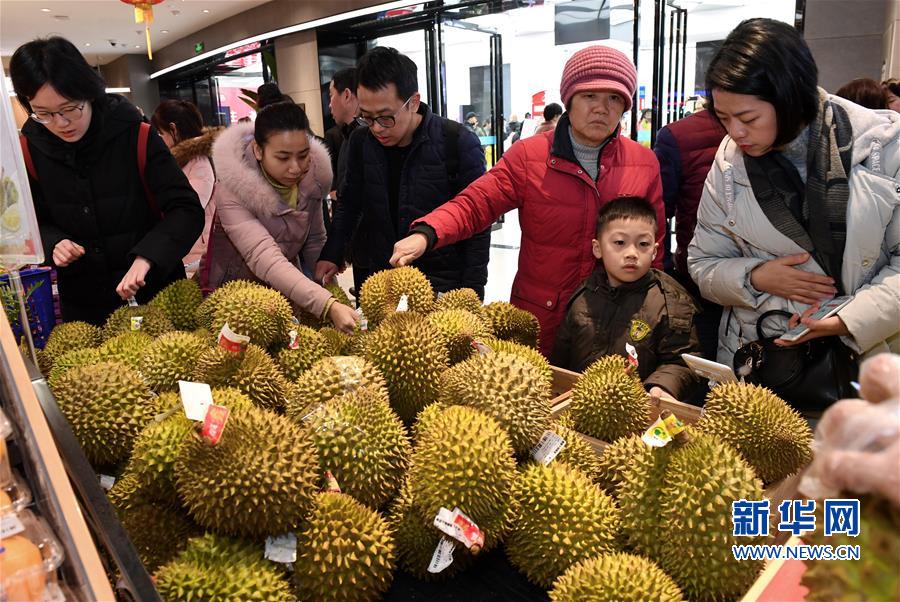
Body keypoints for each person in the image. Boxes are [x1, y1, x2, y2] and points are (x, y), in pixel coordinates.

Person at [390, 45, 666, 357]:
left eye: (614, 98)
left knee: (605, 396)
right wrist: (428, 232)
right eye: (590, 96)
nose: (601, 108)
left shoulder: (644, 163)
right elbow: (476, 202)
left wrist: (652, 316)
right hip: (541, 317)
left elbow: (653, 249)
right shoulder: (528, 156)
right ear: (569, 99)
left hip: (615, 321)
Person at [687, 18, 900, 369]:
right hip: (763, 358)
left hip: (868, 360)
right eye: (724, 118)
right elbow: (703, 262)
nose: (735, 132)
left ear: (789, 97)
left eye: (748, 118)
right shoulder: (727, 164)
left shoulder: (884, 148)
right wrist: (755, 276)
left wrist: (851, 319)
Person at [10, 37, 203, 325]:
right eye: (45, 114)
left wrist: (148, 257)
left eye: (69, 108)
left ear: (88, 92)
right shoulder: (28, 151)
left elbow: (186, 210)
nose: (61, 123)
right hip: (87, 310)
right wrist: (53, 243)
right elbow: (31, 221)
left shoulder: (137, 136)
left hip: (158, 299)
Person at [316, 47, 490, 298]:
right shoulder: (359, 142)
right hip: (383, 282)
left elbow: (478, 221)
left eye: (386, 118)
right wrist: (332, 253)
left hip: (442, 285)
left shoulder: (457, 141)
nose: (376, 128)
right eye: (367, 117)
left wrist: (472, 293)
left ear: (413, 102)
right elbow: (349, 204)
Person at [199, 84, 358, 332]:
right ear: (258, 151)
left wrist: (330, 290)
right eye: (283, 158)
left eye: (303, 154)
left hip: (284, 293)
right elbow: (265, 258)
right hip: (235, 298)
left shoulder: (314, 176)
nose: (295, 167)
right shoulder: (232, 188)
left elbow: (314, 239)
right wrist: (327, 305)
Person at [551, 197, 700, 400]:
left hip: (641, 413)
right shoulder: (583, 295)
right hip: (581, 404)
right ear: (597, 249)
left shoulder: (672, 304)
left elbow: (683, 362)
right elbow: (562, 354)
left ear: (655, 251)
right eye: (620, 243)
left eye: (643, 244)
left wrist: (662, 386)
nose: (632, 253)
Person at [653, 105, 727, 363]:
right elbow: (659, 213)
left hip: (768, 285)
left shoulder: (782, 131)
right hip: (699, 280)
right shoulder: (679, 136)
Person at [151, 99, 220, 275]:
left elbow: (189, 210)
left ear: (173, 129)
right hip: (188, 250)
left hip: (195, 255)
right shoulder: (183, 160)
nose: (159, 140)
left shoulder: (199, 162)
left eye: (160, 134)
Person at [323, 67, 360, 196]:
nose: (329, 105)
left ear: (346, 95)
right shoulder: (347, 134)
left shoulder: (364, 137)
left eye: (331, 95)